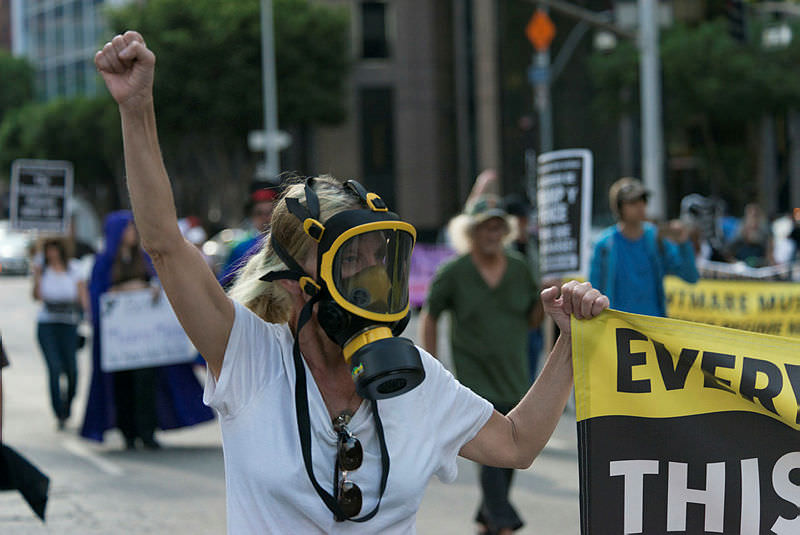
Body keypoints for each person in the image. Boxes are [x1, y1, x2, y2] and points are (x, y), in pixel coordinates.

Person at [94, 31, 609, 533]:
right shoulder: (248, 357)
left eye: (379, 260)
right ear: (294, 279)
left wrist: (570, 340)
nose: (372, 279)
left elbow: (517, 443)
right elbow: (163, 242)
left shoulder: (418, 382)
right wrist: (136, 108)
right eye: (349, 261)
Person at [419, 195, 541, 535]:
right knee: (490, 454)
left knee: (510, 454)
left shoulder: (519, 267)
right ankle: (504, 523)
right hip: (474, 379)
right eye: (485, 227)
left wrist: (549, 295)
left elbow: (533, 319)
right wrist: (432, 364)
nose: (492, 233)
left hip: (515, 375)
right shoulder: (454, 272)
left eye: (498, 227)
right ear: (471, 232)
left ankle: (488, 520)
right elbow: (430, 315)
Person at [80, 210, 214, 449]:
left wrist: (151, 287)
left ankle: (147, 430)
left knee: (146, 385)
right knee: (122, 385)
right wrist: (123, 290)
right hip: (118, 341)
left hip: (145, 341)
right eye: (128, 228)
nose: (133, 232)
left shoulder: (144, 258)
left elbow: (160, 281)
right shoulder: (104, 262)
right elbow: (98, 294)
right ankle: (128, 431)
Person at [590, 177, 699, 317]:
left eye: (643, 200)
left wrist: (683, 243)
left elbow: (690, 277)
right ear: (619, 207)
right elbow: (594, 293)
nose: (640, 206)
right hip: (617, 327)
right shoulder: (605, 244)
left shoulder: (655, 238)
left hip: (652, 326)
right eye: (632, 202)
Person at [31, 238, 89, 430]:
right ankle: (59, 412)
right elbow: (37, 296)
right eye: (49, 251)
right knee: (54, 368)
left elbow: (83, 297)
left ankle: (68, 404)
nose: (52, 255)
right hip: (48, 325)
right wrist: (37, 275)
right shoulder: (43, 270)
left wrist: (88, 317)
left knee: (72, 370)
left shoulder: (74, 269)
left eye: (55, 250)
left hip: (69, 324)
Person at [217, 183, 279, 287]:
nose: (265, 218)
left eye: (269, 213)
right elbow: (225, 282)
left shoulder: (286, 243)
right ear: (251, 216)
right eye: (259, 213)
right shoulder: (241, 248)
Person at [725, 202, 775, 268]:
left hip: (758, 268)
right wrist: (736, 264)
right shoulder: (739, 231)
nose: (753, 219)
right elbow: (727, 253)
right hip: (741, 266)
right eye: (751, 215)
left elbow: (769, 255)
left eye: (756, 215)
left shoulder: (764, 232)